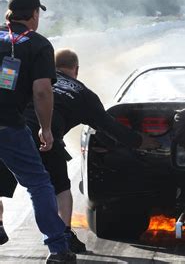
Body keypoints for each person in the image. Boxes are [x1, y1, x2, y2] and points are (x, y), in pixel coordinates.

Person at [0, 48, 159, 253]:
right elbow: (109, 127)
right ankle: (64, 233)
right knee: (61, 189)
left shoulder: (36, 76)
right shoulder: (83, 94)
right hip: (46, 140)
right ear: (76, 69)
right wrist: (140, 141)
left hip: (11, 133)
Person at [0, 0, 75, 263]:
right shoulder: (39, 44)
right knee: (39, 184)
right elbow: (42, 91)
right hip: (9, 125)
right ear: (34, 14)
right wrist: (46, 129)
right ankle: (58, 249)